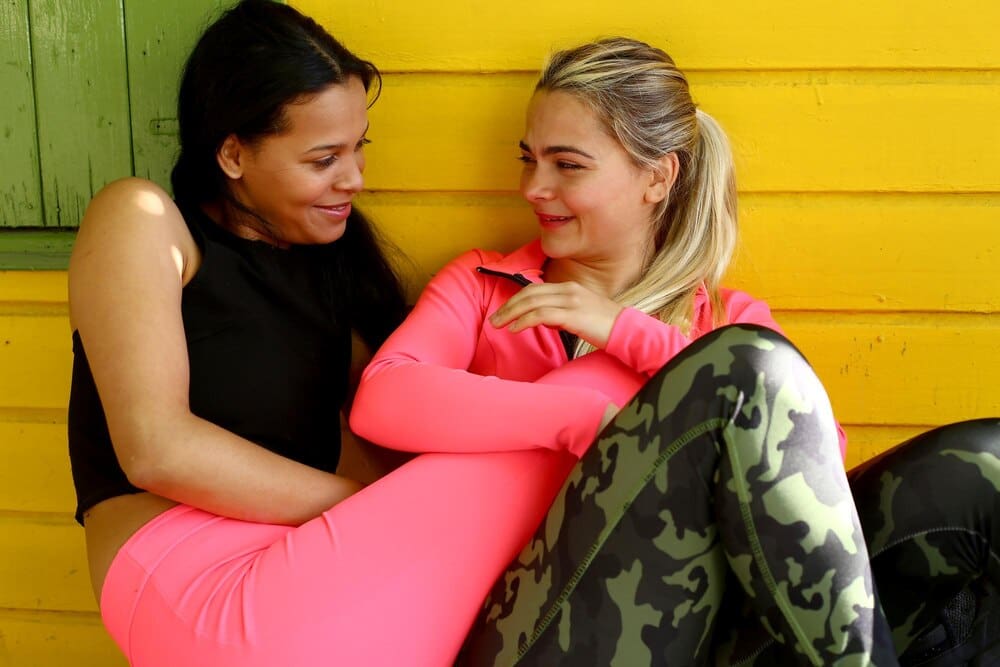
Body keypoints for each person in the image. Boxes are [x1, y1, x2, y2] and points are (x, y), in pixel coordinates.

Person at [348, 38, 1000, 665]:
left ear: (657, 177)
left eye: (567, 164)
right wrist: (581, 420)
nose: (533, 187)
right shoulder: (486, 287)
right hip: (539, 628)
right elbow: (384, 398)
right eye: (529, 158)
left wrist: (629, 335)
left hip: (714, 633)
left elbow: (812, 473)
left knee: (978, 468)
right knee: (750, 365)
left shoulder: (725, 322)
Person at [68, 2, 589, 665]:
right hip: (189, 583)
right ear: (233, 152)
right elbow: (155, 448)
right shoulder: (143, 219)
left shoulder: (336, 278)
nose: (354, 178)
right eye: (323, 159)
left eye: (358, 147)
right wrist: (372, 513)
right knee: (559, 428)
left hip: (313, 576)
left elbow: (392, 440)